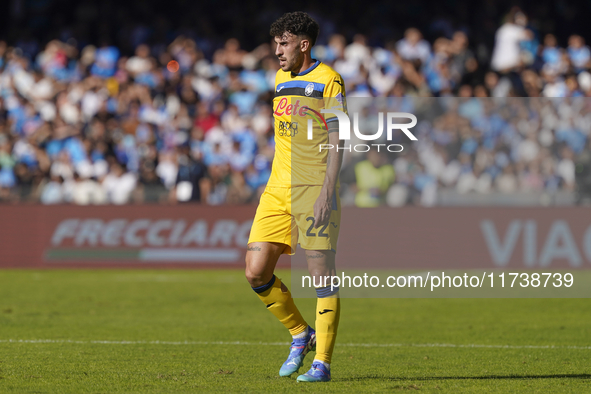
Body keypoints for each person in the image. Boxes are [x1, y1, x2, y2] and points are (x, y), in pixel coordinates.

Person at [245, 11, 346, 383]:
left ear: (304, 44)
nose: (277, 51)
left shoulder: (329, 81)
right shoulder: (279, 78)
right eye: (275, 43)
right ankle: (301, 334)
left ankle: (322, 363)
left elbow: (339, 141)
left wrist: (326, 192)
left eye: (283, 43)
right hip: (277, 190)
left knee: (321, 276)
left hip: (314, 189)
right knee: (256, 272)